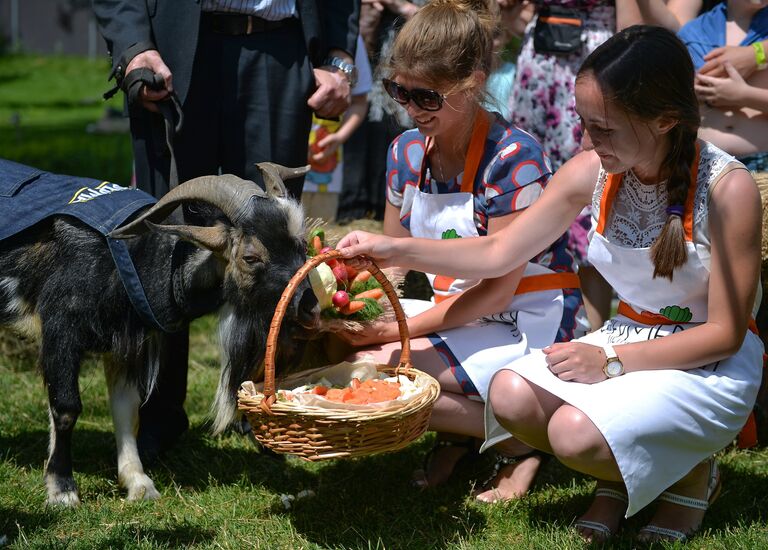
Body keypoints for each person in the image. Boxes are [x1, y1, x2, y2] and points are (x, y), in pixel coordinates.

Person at [337, 25, 763, 542]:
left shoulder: (729, 188)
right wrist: (394, 247)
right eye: (584, 124)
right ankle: (622, 477)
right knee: (509, 394)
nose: (585, 141)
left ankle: (690, 471)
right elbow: (499, 251)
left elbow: (726, 334)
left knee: (570, 432)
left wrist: (608, 362)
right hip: (628, 337)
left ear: (665, 120)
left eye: (603, 129)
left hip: (704, 361)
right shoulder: (593, 169)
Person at [337, 0, 586, 503]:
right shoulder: (405, 151)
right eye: (398, 90)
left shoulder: (514, 157)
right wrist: (348, 308)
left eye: (425, 96)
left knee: (381, 369)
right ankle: (467, 434)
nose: (410, 108)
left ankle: (524, 441)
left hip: (522, 312)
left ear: (472, 84)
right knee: (347, 353)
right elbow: (395, 267)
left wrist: (392, 332)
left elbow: (498, 290)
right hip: (451, 307)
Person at [92, 0, 360, 462]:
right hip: (170, 55)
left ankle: (261, 406)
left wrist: (338, 56)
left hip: (281, 51)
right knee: (165, 238)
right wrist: (134, 46)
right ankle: (158, 413)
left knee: (276, 249)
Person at [508, 0, 642, 333]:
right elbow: (509, 20)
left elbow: (632, 31)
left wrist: (622, 87)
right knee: (530, 188)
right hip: (539, 61)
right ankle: (539, 322)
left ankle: (591, 333)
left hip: (594, 61)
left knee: (591, 199)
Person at [303, 35, 373, 222]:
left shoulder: (349, 39)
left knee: (319, 235)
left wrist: (340, 137)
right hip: (284, 172)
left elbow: (360, 101)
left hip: (327, 175)